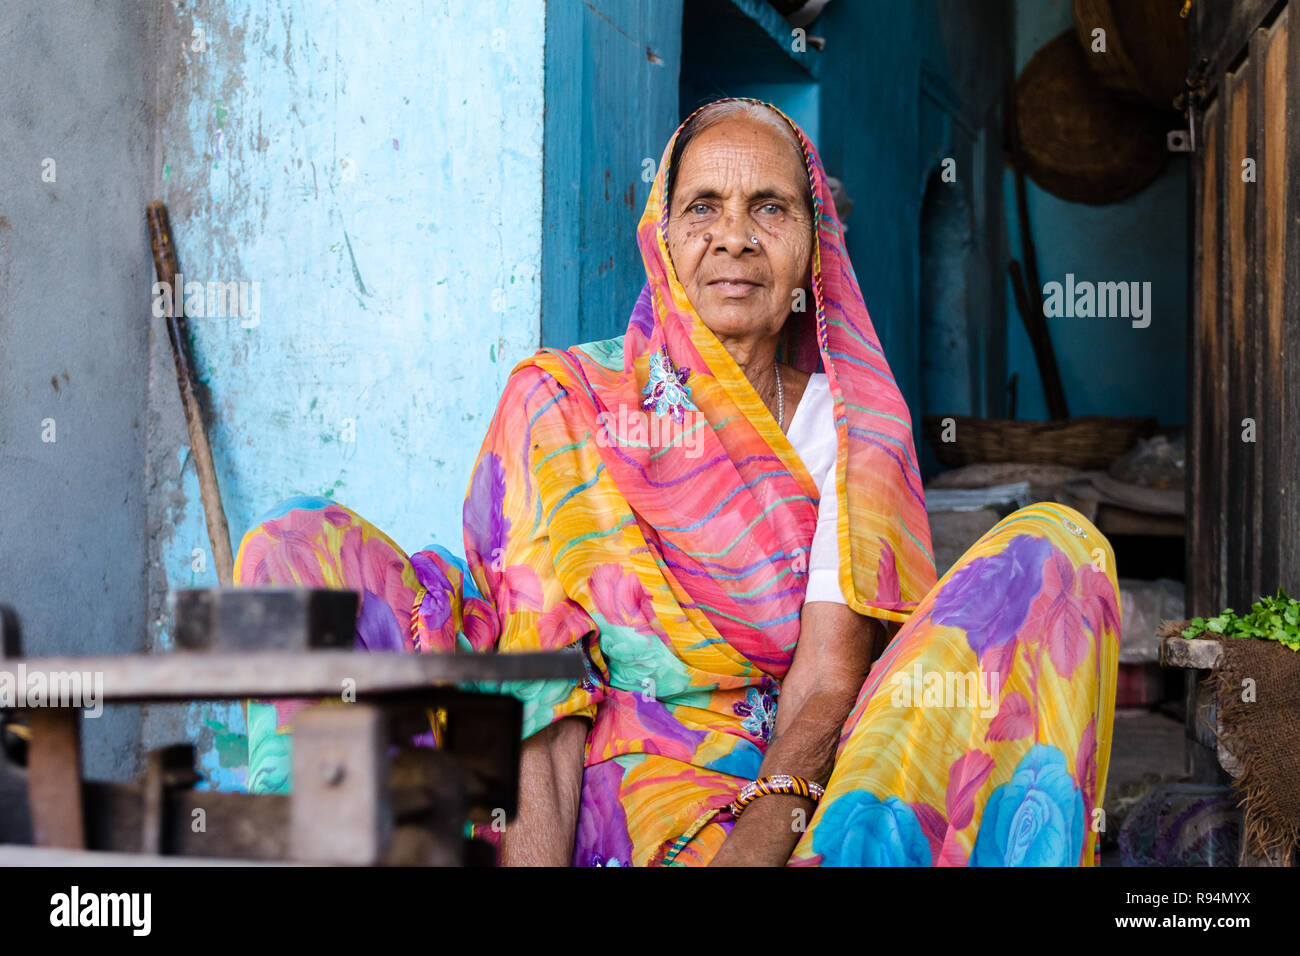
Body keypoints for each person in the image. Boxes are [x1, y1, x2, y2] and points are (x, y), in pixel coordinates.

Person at [234, 98, 1120, 867]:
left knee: (1054, 552)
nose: (733, 237)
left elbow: (820, 690)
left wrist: (749, 850)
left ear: (815, 247)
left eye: (769, 208)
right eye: (704, 207)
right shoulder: (561, 400)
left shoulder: (857, 432)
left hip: (757, 795)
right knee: (294, 552)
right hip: (540, 795)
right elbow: (539, 675)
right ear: (663, 239)